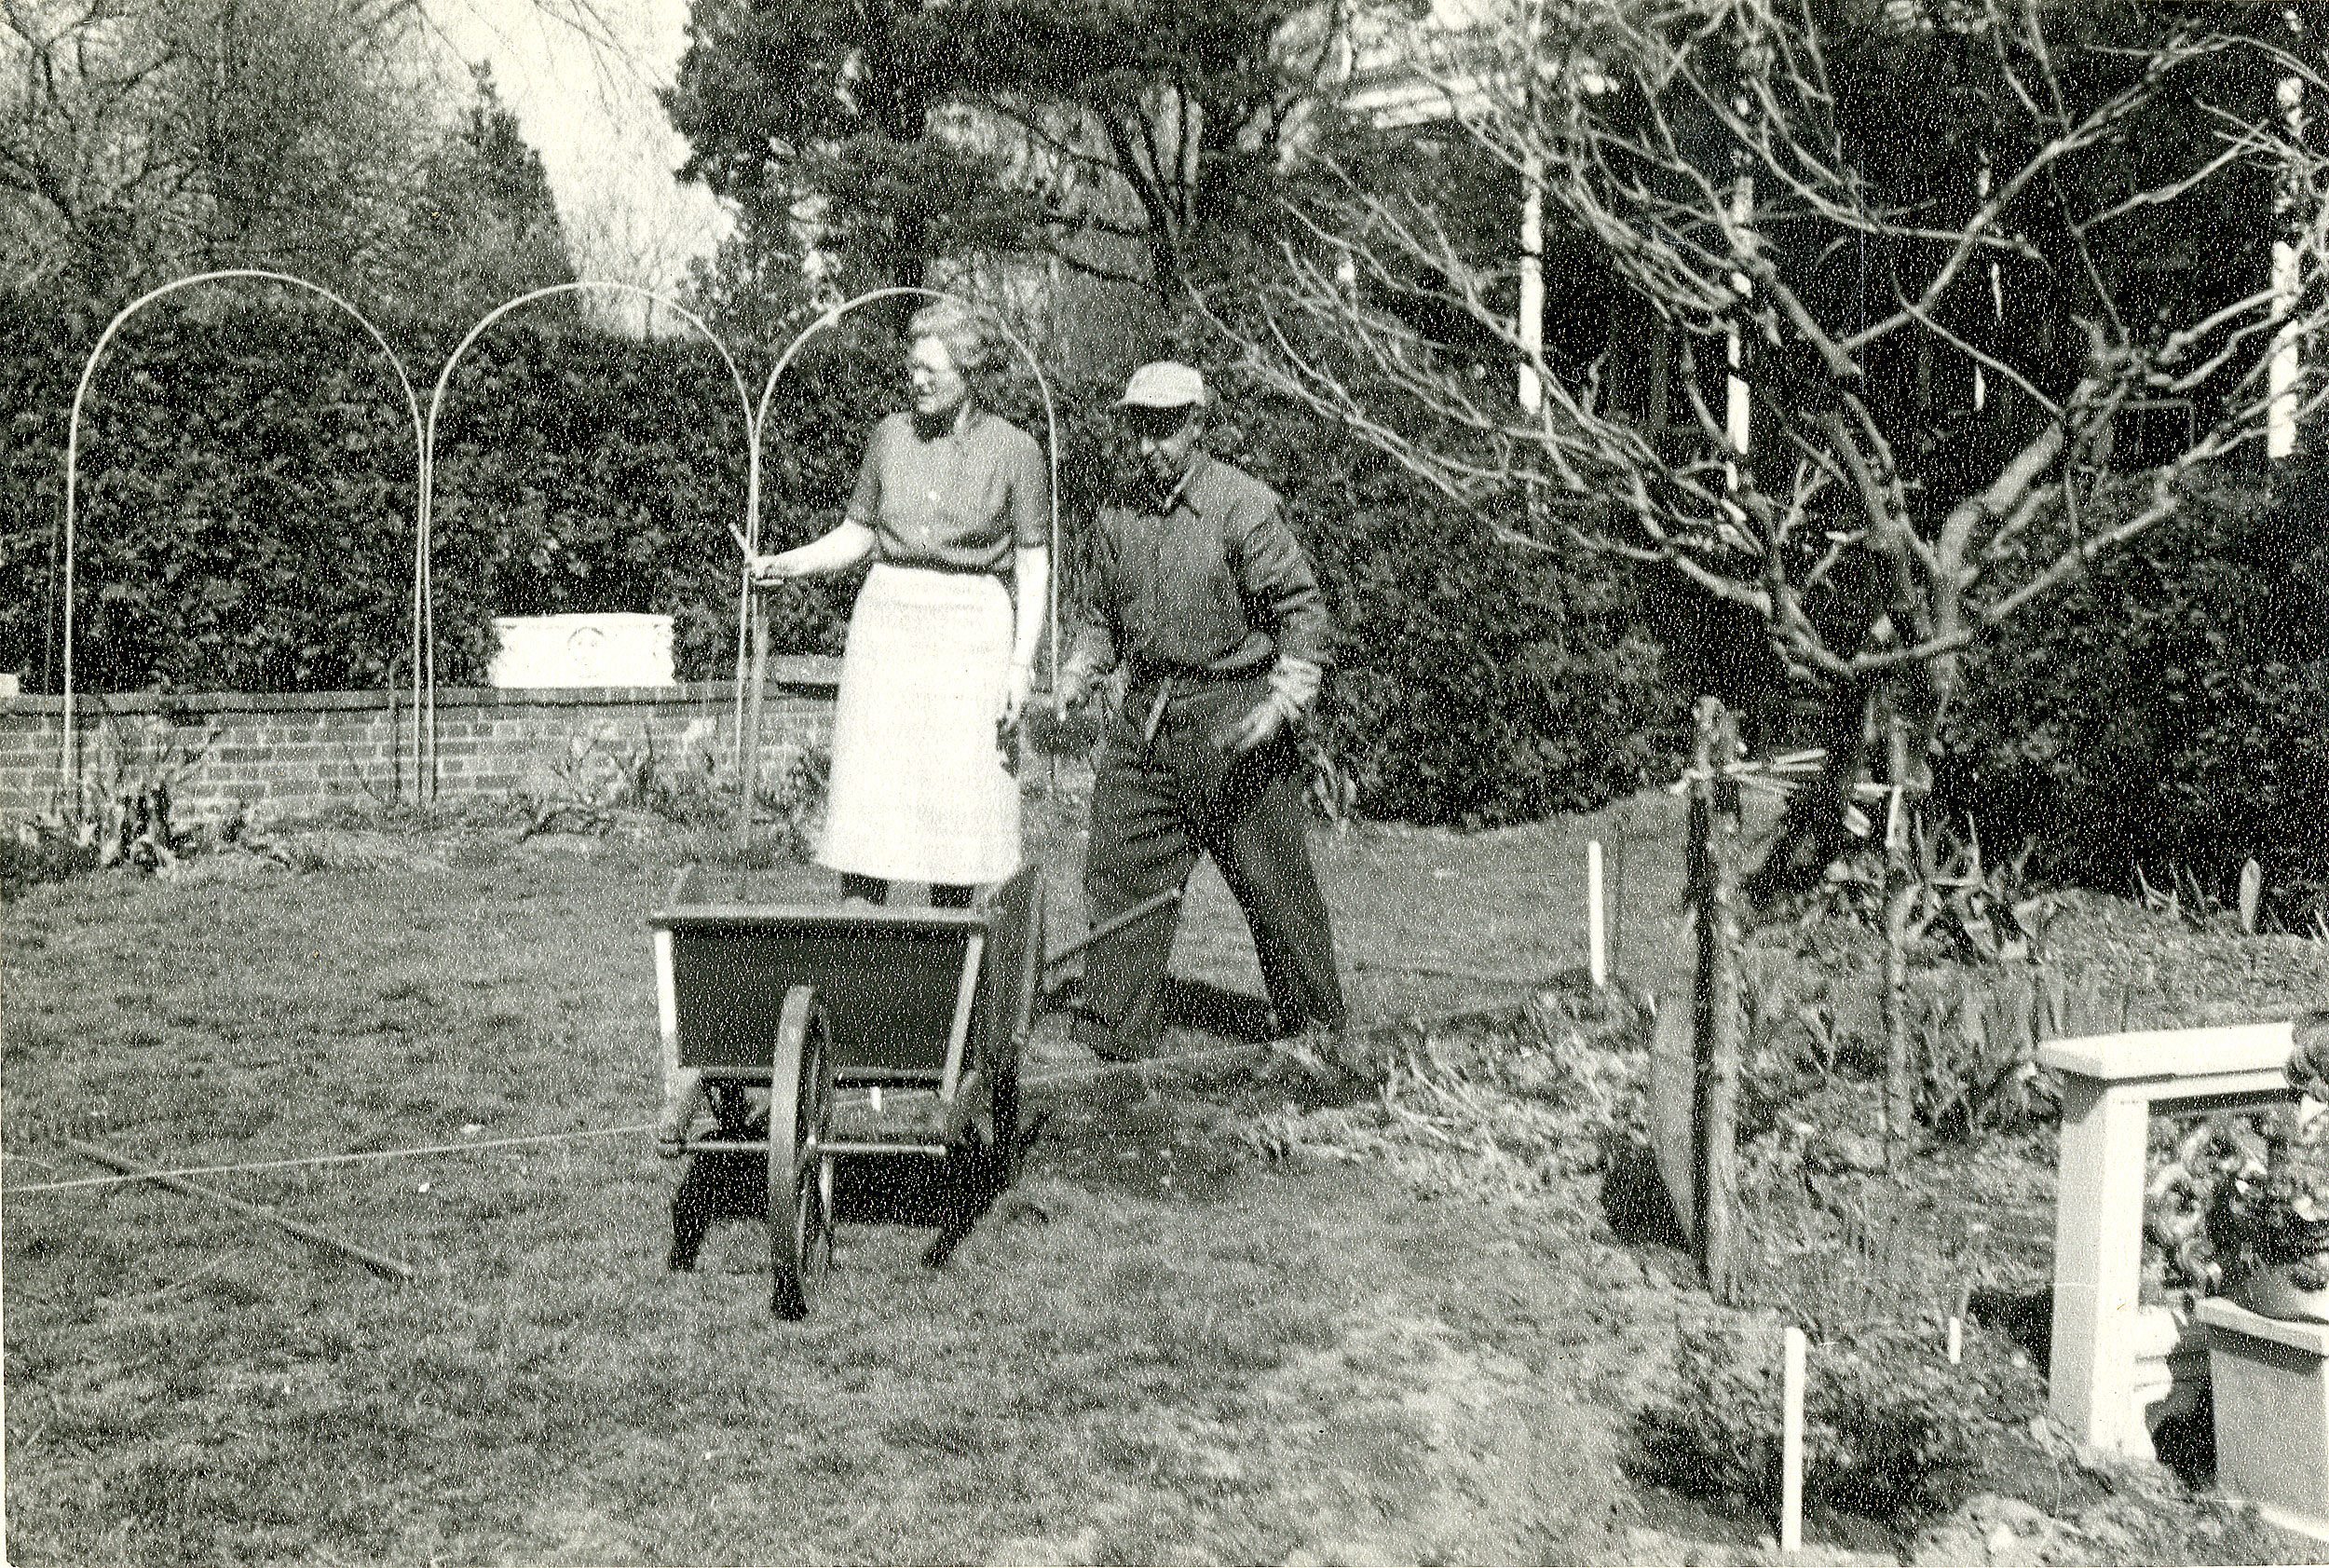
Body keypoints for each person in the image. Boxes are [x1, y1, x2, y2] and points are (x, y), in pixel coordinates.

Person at [1052, 361, 1351, 1065]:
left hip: (1235, 720)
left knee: (1273, 884)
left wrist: (1282, 703)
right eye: (1139, 429)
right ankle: (1115, 1036)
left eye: (1164, 429)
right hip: (1147, 720)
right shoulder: (1117, 515)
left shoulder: (1243, 506)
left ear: (1197, 425)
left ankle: (1318, 1037)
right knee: (1121, 872)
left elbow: (1303, 612)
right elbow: (1100, 619)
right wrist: (1077, 674)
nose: (1148, 445)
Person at [750, 301, 1049, 907]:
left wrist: (1022, 665)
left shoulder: (1017, 450)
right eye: (911, 368)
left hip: (973, 632)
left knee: (960, 801)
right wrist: (790, 561)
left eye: (931, 372)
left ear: (970, 372)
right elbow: (858, 534)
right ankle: (859, 956)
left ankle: (952, 962)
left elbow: (1032, 561)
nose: (917, 381)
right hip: (889, 625)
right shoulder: (889, 436)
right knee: (872, 793)